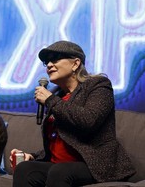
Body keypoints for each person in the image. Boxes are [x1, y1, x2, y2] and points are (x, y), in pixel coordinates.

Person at [10, 40, 135, 187]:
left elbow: (89, 120)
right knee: (24, 169)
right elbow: (62, 140)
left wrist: (50, 100)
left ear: (75, 64)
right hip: (59, 166)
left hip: (93, 165)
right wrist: (32, 156)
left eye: (55, 59)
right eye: (46, 62)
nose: (49, 65)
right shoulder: (58, 96)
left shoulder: (98, 86)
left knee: (60, 171)